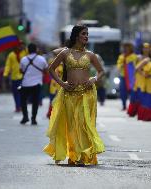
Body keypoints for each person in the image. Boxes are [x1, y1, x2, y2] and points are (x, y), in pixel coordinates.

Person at [43, 24, 105, 165]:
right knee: (71, 126)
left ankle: (83, 156)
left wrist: (94, 79)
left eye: (87, 34)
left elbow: (101, 71)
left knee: (83, 125)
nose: (86, 36)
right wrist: (62, 83)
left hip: (86, 94)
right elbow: (51, 69)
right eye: (84, 34)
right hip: (69, 95)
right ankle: (73, 155)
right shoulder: (65, 53)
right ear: (76, 36)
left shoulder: (90, 55)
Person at [19, 43, 48, 125]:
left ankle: (25, 117)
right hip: (37, 84)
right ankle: (33, 119)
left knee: (23, 101)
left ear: (28, 50)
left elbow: (20, 71)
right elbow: (46, 71)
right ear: (36, 49)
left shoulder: (23, 59)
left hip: (25, 84)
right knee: (35, 102)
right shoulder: (42, 59)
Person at [3, 42, 27, 112]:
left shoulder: (25, 53)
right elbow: (8, 65)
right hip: (14, 77)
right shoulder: (11, 55)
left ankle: (21, 106)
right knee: (15, 93)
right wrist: (5, 74)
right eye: (19, 45)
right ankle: (17, 106)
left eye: (21, 45)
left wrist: (25, 49)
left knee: (21, 93)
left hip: (23, 77)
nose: (20, 47)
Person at [116, 42, 138, 110]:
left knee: (133, 92)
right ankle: (124, 105)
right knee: (123, 91)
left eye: (128, 47)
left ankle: (133, 106)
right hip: (123, 77)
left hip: (132, 77)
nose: (126, 49)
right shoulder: (121, 56)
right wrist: (122, 65)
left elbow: (136, 65)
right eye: (125, 47)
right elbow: (118, 66)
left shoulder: (134, 56)